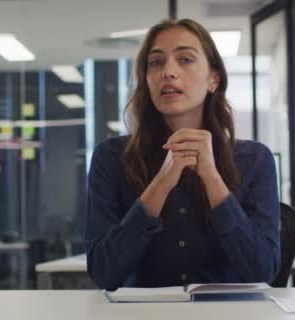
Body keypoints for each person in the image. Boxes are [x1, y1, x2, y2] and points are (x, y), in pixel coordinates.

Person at [85, 18, 280, 290]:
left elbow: (263, 271)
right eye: (156, 62)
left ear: (214, 79)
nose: (169, 72)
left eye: (185, 59)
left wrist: (212, 178)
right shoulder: (111, 157)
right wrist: (162, 183)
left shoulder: (255, 159)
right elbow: (104, 273)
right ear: (147, 80)